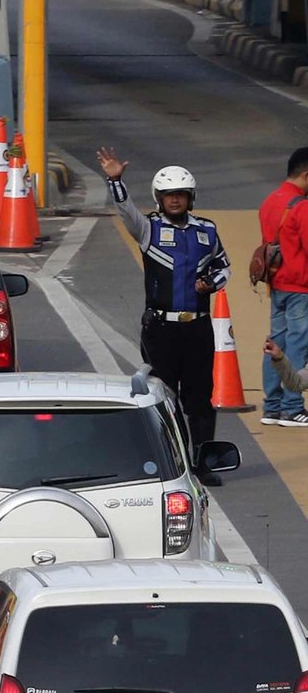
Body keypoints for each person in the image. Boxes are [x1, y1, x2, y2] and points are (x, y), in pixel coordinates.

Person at [96, 147, 231, 487]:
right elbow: (126, 211)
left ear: (191, 197)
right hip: (160, 329)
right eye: (169, 194)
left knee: (201, 398)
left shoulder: (207, 231)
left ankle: (203, 462)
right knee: (162, 396)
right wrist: (116, 181)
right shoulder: (148, 230)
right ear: (159, 198)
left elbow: (224, 266)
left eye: (181, 194)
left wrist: (211, 283)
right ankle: (168, 462)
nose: (175, 200)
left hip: (198, 327)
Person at [259, 147, 308, 427]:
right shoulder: (301, 206)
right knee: (298, 345)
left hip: (277, 284)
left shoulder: (270, 201)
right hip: (300, 287)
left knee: (275, 344)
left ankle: (272, 406)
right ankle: (293, 407)